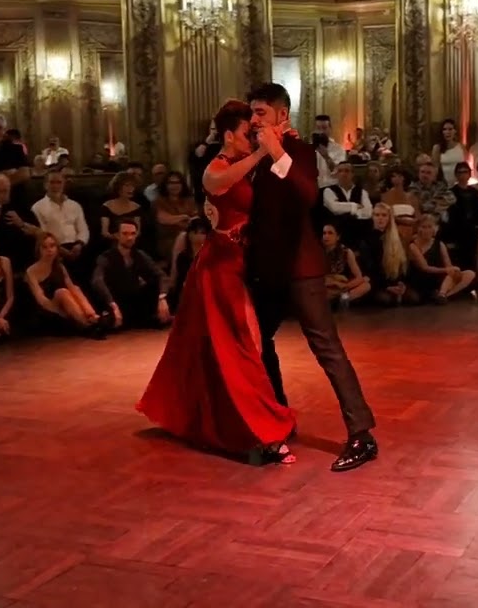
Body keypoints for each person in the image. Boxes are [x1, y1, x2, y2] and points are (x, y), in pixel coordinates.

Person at [136, 100, 297, 464]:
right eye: (246, 134)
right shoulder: (214, 170)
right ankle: (260, 431)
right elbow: (224, 184)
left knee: (234, 349)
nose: (251, 138)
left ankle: (235, 424)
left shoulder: (242, 165)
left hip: (239, 265)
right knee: (238, 350)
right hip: (219, 269)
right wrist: (262, 152)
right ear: (228, 135)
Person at [247, 83, 378, 472]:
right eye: (252, 113)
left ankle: (362, 435)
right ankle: (279, 417)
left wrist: (277, 153)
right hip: (265, 270)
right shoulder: (253, 155)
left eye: (260, 113)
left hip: (301, 269)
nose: (253, 120)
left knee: (327, 349)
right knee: (258, 342)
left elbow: (307, 196)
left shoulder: (300, 152)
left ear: (282, 115)